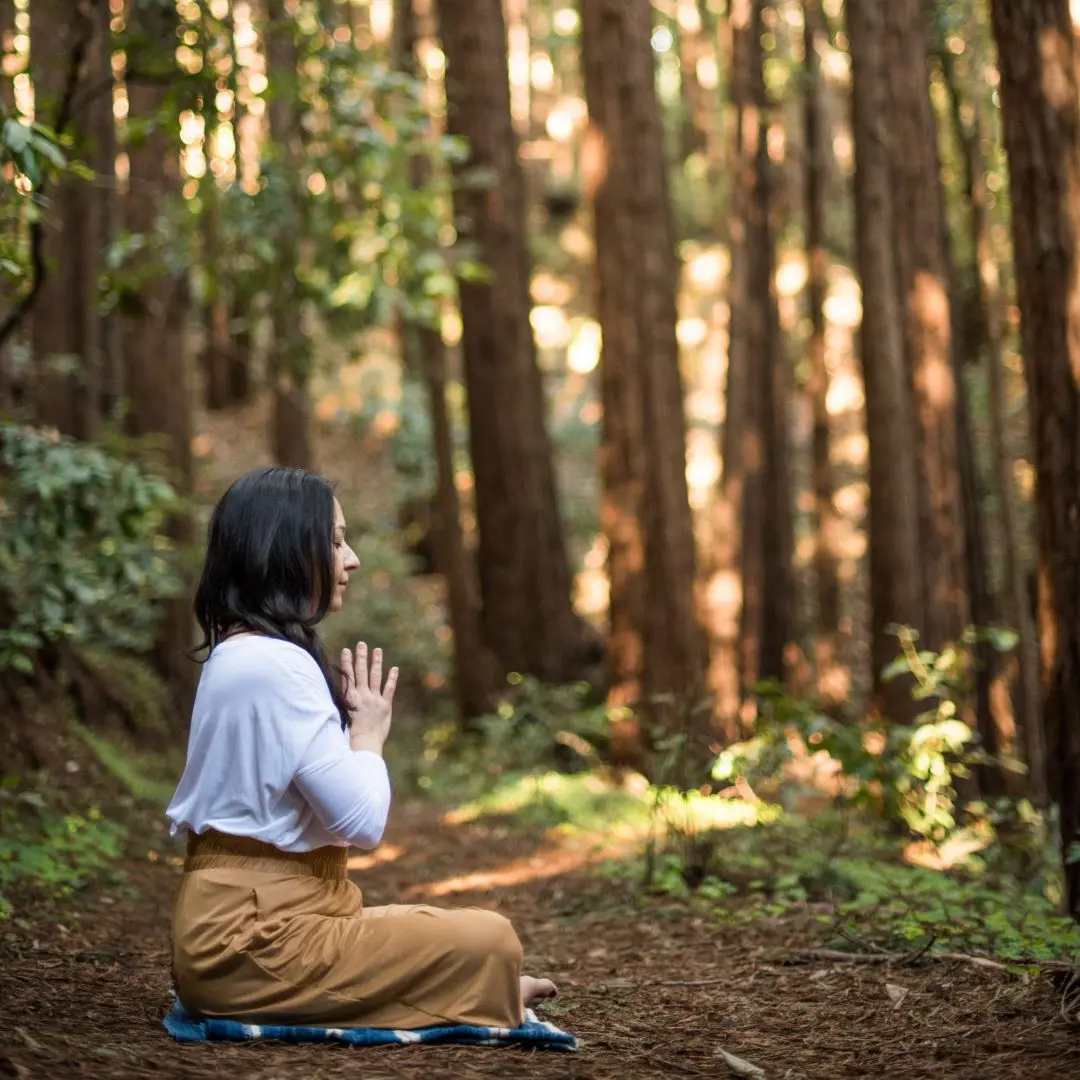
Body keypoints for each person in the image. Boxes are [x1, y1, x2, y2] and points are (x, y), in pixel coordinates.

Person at [166, 467, 556, 1029]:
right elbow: (361, 821)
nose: (351, 560)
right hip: (254, 941)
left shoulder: (244, 653)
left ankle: (474, 986)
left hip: (243, 932)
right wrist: (369, 733)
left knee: (455, 934)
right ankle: (481, 986)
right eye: (335, 541)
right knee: (491, 939)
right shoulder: (275, 664)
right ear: (284, 549)